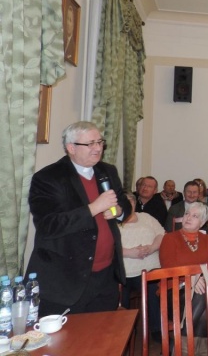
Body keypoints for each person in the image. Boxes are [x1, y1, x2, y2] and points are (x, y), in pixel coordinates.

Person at [27, 121, 131, 315]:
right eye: (90, 144)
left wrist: (118, 211)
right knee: (69, 335)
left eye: (100, 142)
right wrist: (93, 208)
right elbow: (47, 225)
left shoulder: (108, 171)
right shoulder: (48, 177)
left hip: (106, 276)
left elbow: (124, 202)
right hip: (67, 280)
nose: (98, 148)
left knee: (104, 332)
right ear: (71, 148)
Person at [159, 202, 208, 353]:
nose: (188, 217)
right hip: (177, 292)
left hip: (204, 288)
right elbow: (168, 266)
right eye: (187, 213)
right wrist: (192, 279)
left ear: (202, 222)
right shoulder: (169, 238)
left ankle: (177, 347)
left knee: (203, 296)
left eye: (195, 216)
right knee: (204, 308)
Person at [119, 192, 165, 341]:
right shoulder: (112, 221)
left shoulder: (146, 217)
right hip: (124, 270)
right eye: (124, 201)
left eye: (131, 201)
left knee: (153, 290)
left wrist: (151, 248)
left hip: (149, 268)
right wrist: (129, 252)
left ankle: (157, 330)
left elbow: (161, 234)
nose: (128, 204)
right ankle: (125, 333)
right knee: (120, 296)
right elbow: (108, 246)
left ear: (134, 203)